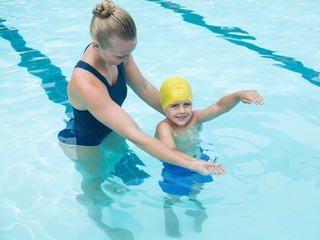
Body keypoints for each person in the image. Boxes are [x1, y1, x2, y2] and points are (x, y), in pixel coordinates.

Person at [57, 0, 225, 177]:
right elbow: (136, 135)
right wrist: (192, 164)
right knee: (96, 186)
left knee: (122, 166)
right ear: (96, 46)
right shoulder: (86, 84)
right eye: (121, 56)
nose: (127, 59)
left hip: (111, 128)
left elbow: (143, 87)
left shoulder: (117, 51)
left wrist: (183, 118)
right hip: (87, 141)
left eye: (130, 52)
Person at [155, 76, 263, 237]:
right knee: (174, 197)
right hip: (175, 166)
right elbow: (170, 151)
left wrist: (238, 95)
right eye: (174, 106)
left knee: (196, 188)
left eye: (187, 104)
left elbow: (220, 107)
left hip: (200, 158)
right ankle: (169, 212)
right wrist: (197, 163)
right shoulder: (164, 127)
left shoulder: (196, 118)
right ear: (164, 108)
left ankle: (196, 204)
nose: (182, 111)